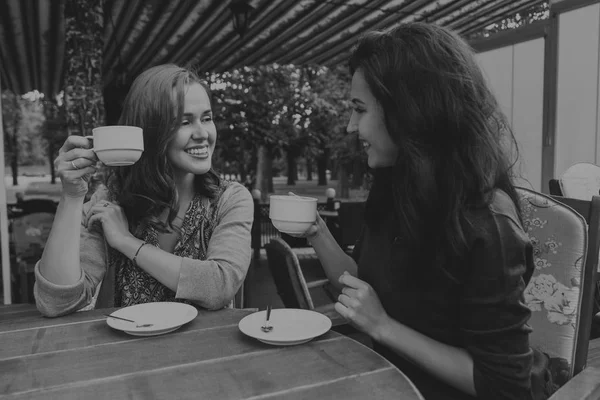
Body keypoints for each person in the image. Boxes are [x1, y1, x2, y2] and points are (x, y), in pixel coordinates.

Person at [291, 23, 552, 400]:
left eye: (359, 110)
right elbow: (363, 287)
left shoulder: (487, 222)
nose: (351, 126)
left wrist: (383, 327)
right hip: (392, 384)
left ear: (410, 112)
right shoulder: (397, 191)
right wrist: (315, 231)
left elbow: (504, 385)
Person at [34, 64, 254, 316]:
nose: (202, 133)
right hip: (127, 352)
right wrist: (71, 195)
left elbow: (220, 285)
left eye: (207, 118)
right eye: (184, 122)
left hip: (208, 353)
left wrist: (127, 242)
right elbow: (56, 303)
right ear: (148, 133)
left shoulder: (230, 199)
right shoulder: (111, 201)